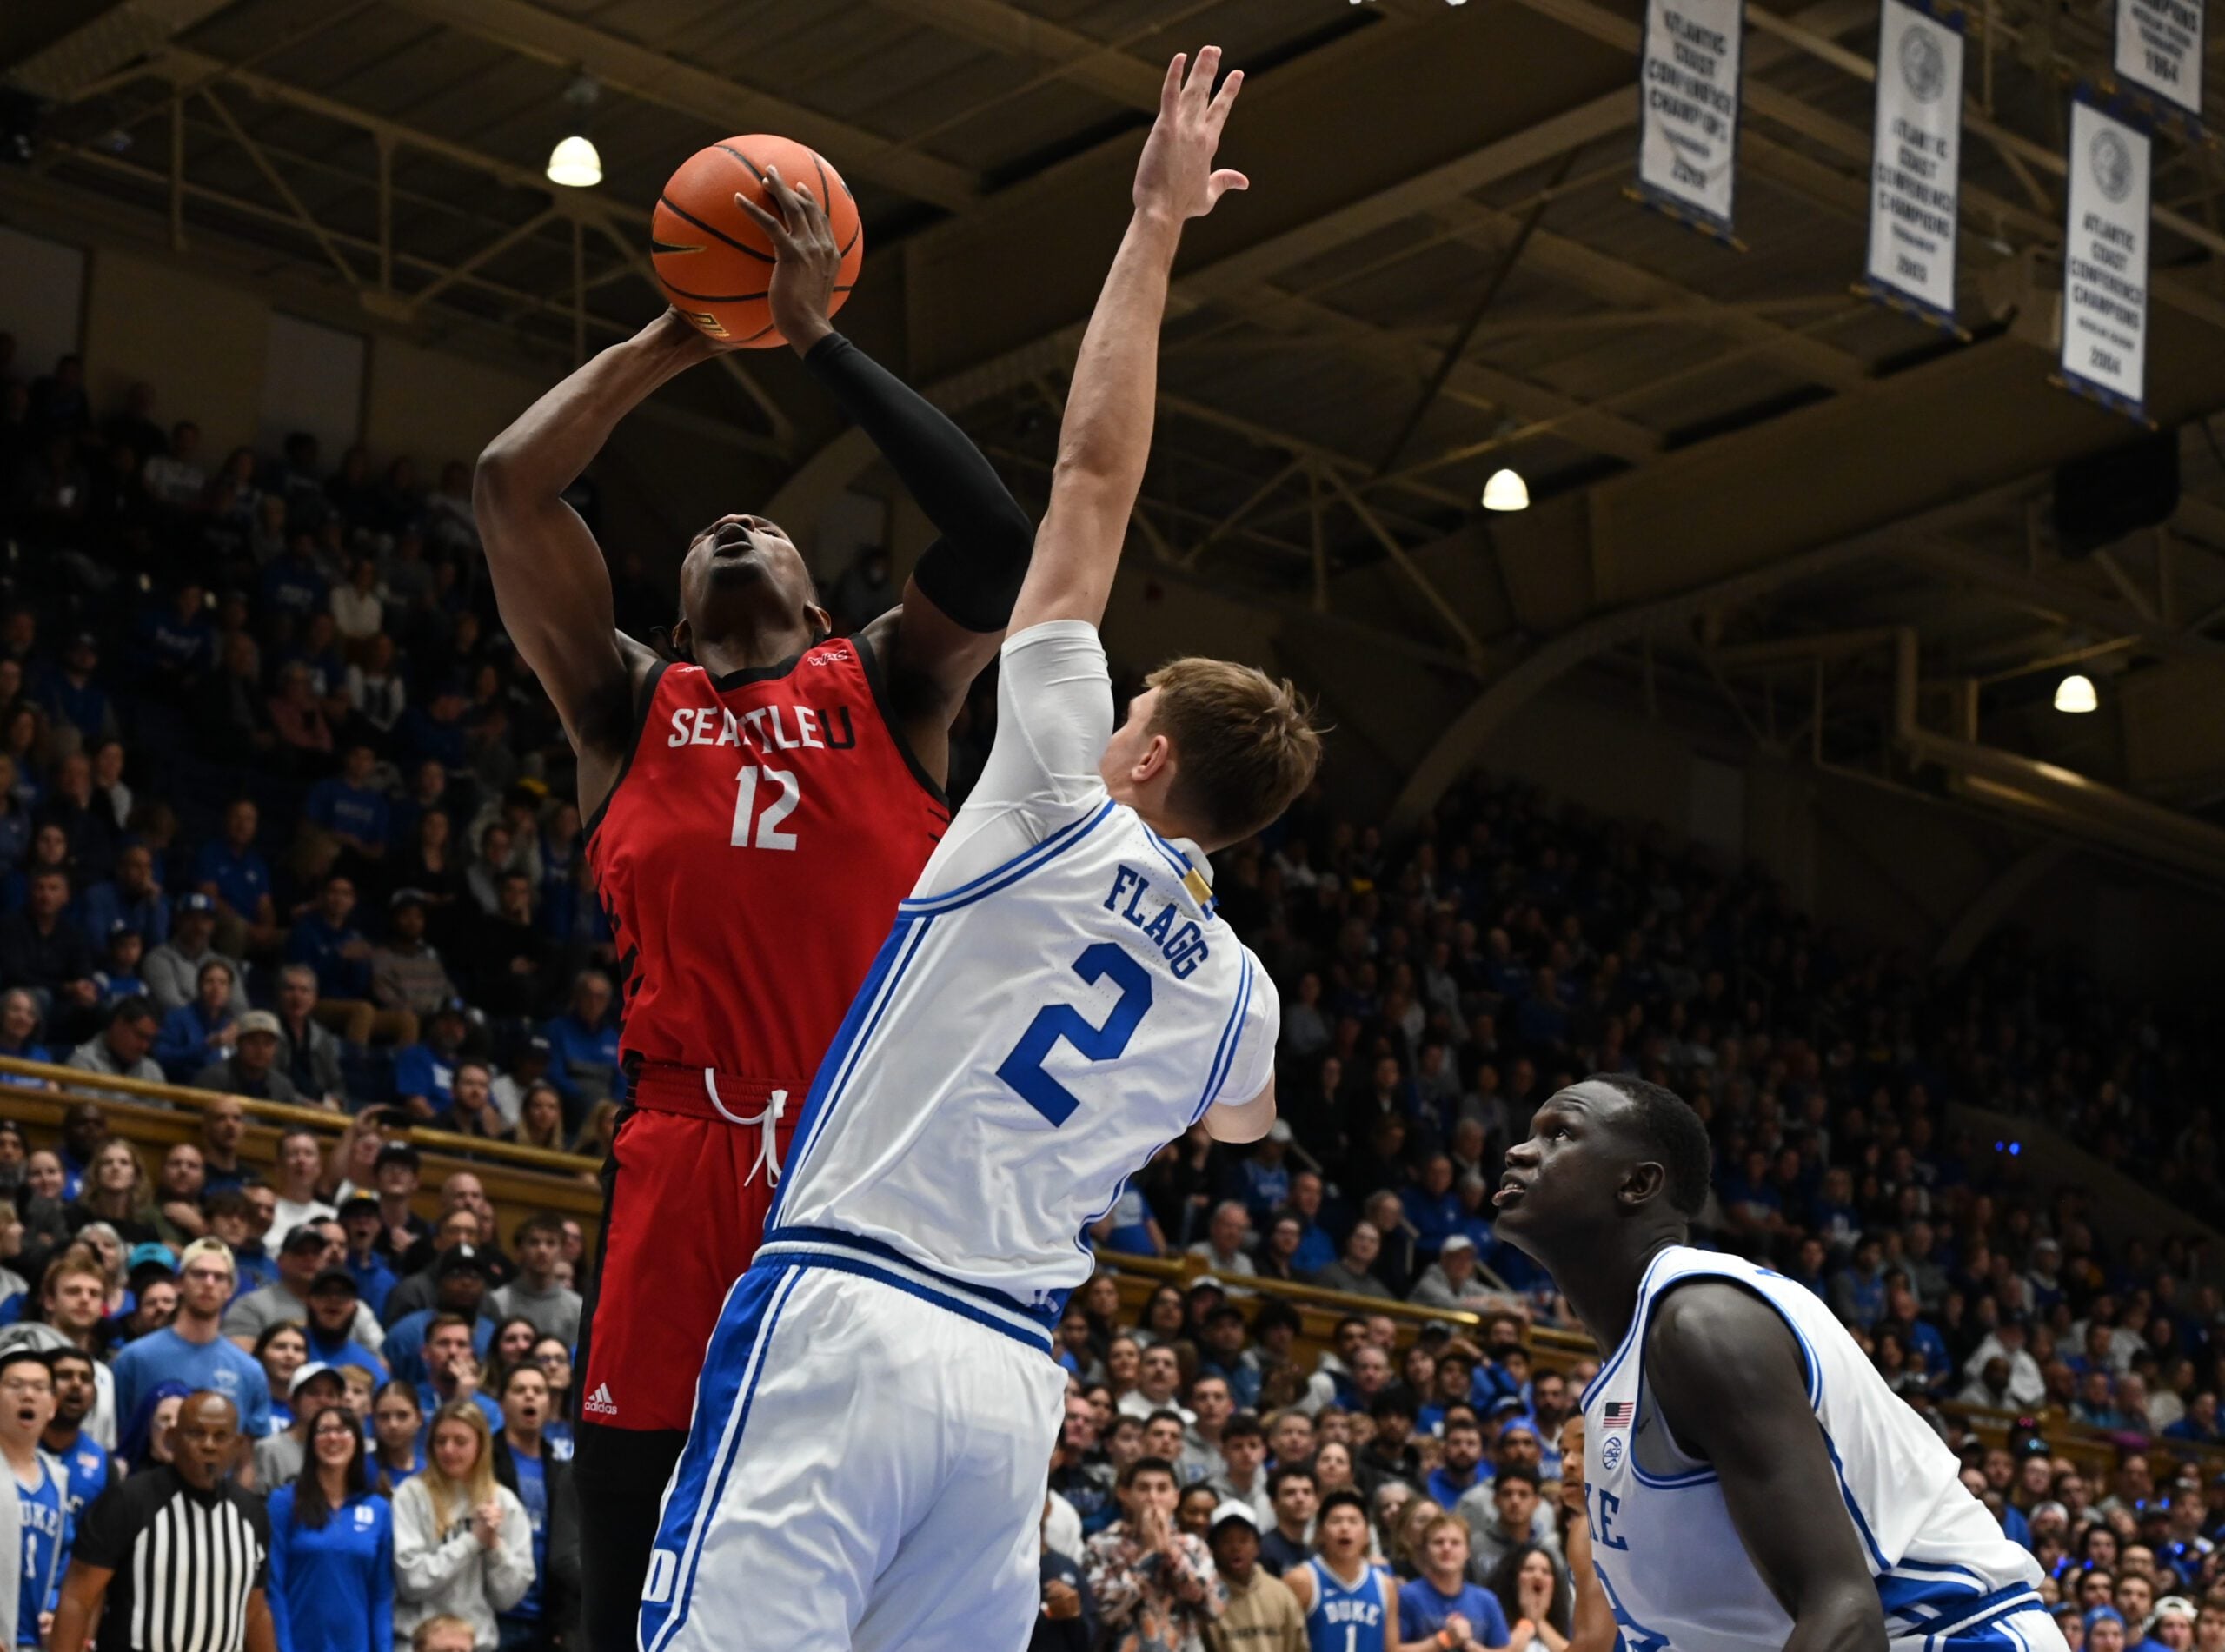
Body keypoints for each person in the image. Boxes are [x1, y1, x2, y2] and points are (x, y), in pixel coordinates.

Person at [641, 56, 1310, 1652]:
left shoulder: (1046, 804)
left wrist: (1150, 227)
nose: (1104, 708)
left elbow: (1089, 480)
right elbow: (1244, 1129)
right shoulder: (1245, 1001)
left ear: (1142, 757)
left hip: (850, 1310)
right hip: (1013, 1381)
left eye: (1127, 706)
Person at [475, 14, 1041, 1626]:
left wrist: (815, 343)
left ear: (814, 590)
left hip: (857, 1156)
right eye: (713, 527)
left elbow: (998, 531)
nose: (738, 524)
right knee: (625, 1555)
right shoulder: (621, 709)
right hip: (678, 1146)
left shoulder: (897, 691)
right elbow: (513, 488)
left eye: (771, 527)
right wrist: (675, 336)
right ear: (672, 598)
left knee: (833, 1542)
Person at [1489, 1074, 2064, 1650]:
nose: (1519, 1149)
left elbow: (1845, 1614)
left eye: (1560, 1133)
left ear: (1638, 1183)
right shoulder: (1632, 1364)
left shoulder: (1706, 1326)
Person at [51, 1391, 277, 1652]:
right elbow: (77, 1598)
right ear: (172, 1439)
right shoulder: (128, 1501)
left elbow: (255, 1610)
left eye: (221, 1436)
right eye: (196, 1433)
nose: (208, 1445)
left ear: (237, 1446)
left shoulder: (252, 1513)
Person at [393, 1401, 533, 1652]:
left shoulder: (503, 1502)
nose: (448, 1450)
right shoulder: (411, 1495)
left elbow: (508, 1598)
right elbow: (412, 1581)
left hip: (476, 1643)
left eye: (460, 1441)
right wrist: (472, 1541)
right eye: (441, 1441)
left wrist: (494, 1546)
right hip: (420, 1643)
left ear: (480, 1445)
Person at [111, 1237, 271, 1441]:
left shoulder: (249, 1371)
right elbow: (116, 1436)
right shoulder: (134, 1358)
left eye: (219, 1277)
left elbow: (248, 1455)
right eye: (199, 1274)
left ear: (230, 1289)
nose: (208, 1283)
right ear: (179, 1284)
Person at [268, 1402, 394, 1652]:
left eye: (343, 1430)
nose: (333, 1437)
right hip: (300, 1644)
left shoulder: (379, 1509)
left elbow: (381, 1595)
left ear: (358, 1441)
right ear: (311, 1442)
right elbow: (274, 1588)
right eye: (324, 1430)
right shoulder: (283, 1503)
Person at [1083, 1457, 1221, 1652]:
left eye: (1162, 1489)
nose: (1153, 1497)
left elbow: (1212, 1608)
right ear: (1125, 1494)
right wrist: (1148, 1556)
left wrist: (1170, 1552)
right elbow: (1105, 1613)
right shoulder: (1100, 1545)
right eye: (1143, 1488)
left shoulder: (1193, 1545)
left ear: (1176, 1498)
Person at [489, 1363, 575, 1651]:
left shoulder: (560, 1469)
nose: (530, 1397)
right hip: (495, 1614)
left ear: (549, 1404)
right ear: (501, 1403)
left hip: (545, 1618)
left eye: (538, 1391)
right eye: (519, 1390)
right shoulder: (484, 1462)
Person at [0, 1350, 68, 1651]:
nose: (28, 1395)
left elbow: (62, 1560)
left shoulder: (58, 1478)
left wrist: (55, 1610)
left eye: (39, 1388)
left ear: (52, 1406)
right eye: (15, 1386)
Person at [1285, 1489, 1398, 1652]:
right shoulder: (1301, 1580)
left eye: (1353, 1521)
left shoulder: (1385, 1585)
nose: (1344, 1528)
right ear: (1321, 1533)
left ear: (1367, 1534)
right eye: (1335, 1521)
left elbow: (1391, 1649)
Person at [1399, 1515, 1510, 1652]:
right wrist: (1443, 1640)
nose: (1446, 1548)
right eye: (1438, 1542)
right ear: (1425, 1551)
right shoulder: (1407, 1596)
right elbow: (1390, 1649)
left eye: (1455, 1543)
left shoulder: (1487, 1601)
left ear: (1468, 1551)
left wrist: (1472, 1646)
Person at [1208, 1501, 1306, 1652]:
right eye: (1227, 1540)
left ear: (1257, 1546)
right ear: (1213, 1548)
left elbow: (1299, 1647)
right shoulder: (1205, 1600)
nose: (1236, 1548)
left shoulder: (1281, 1594)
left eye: (1243, 1540)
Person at [41, 1350, 116, 1522]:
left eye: (85, 1378)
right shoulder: (13, 1450)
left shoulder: (104, 1464)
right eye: (64, 1376)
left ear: (94, 1395)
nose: (76, 1384)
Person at [483, 1216, 578, 1349]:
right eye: (534, 1243)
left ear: (561, 1252)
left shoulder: (576, 1307)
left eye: (550, 1243)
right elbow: (487, 1355)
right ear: (519, 1251)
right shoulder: (496, 1301)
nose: (542, 1250)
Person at [1485, 1547, 1571, 1652]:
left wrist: (1539, 1621)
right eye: (1529, 1569)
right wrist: (1527, 1621)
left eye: (1545, 1571)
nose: (1538, 1576)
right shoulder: (1494, 1612)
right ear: (1514, 1579)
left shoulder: (1564, 1620)